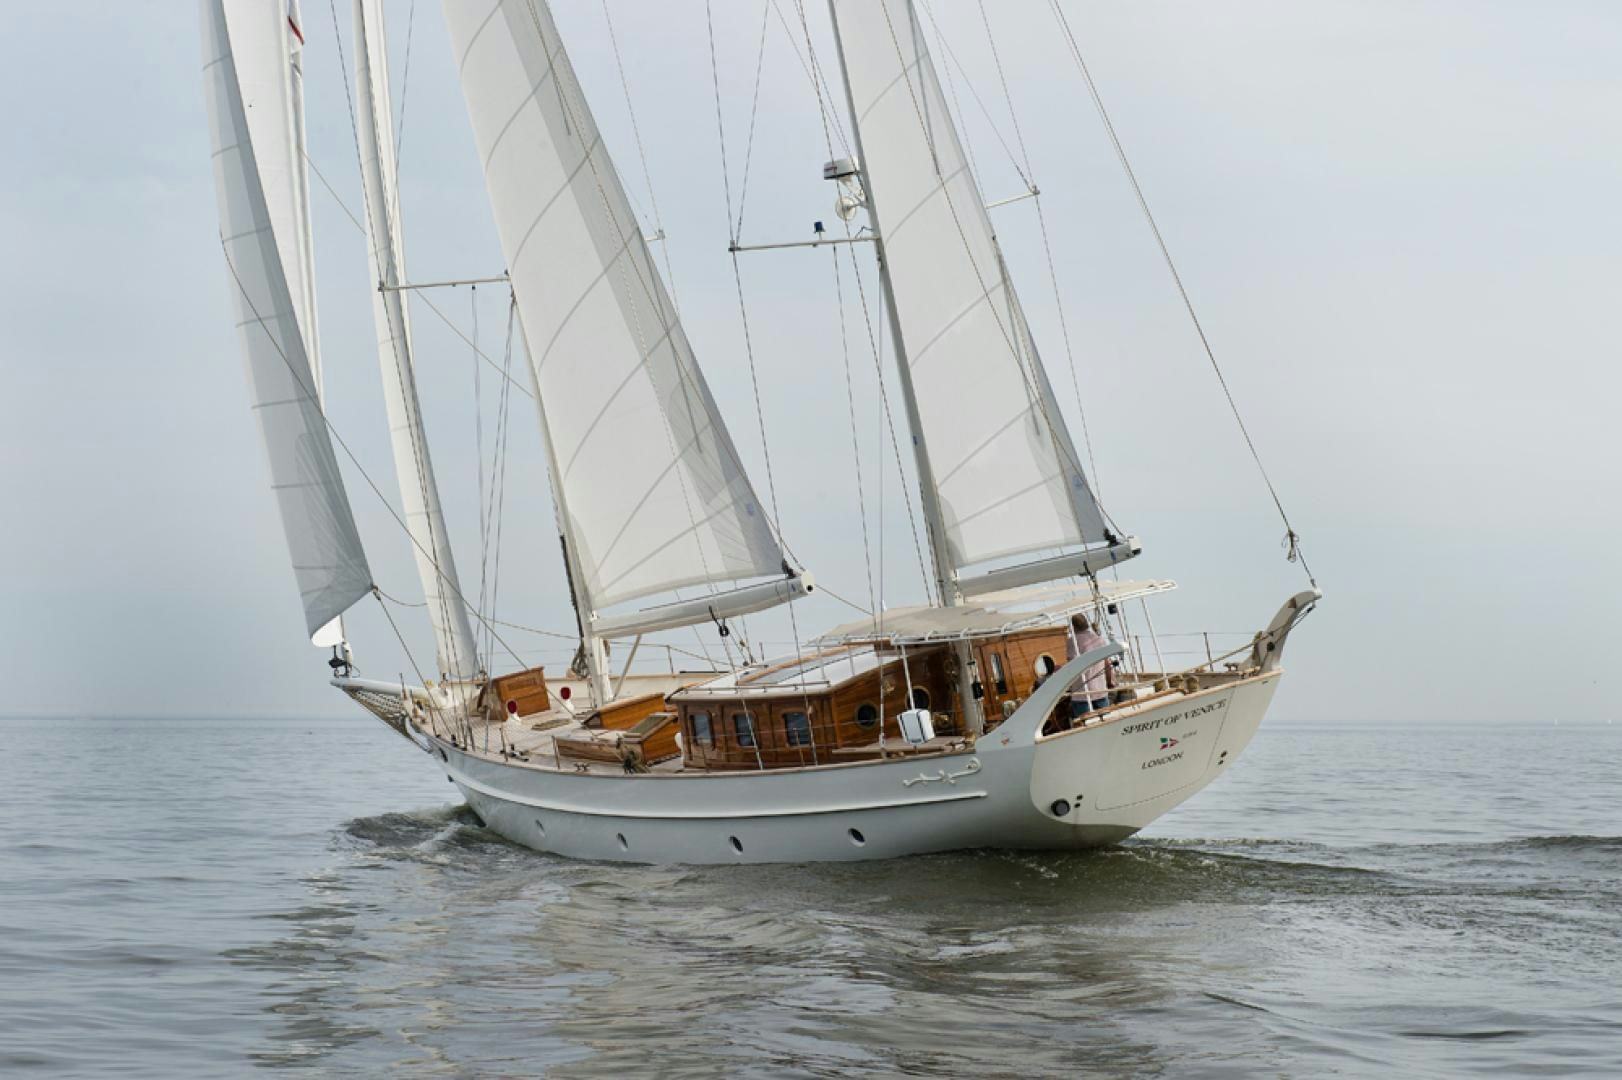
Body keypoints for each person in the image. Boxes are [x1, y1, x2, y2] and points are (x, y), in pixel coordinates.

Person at [1066, 614, 1115, 720]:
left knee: (1083, 724)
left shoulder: (1070, 642)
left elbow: (1070, 667)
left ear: (1073, 626)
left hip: (1080, 694)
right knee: (1106, 721)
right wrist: (1110, 682)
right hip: (1100, 691)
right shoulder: (1099, 639)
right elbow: (1107, 664)